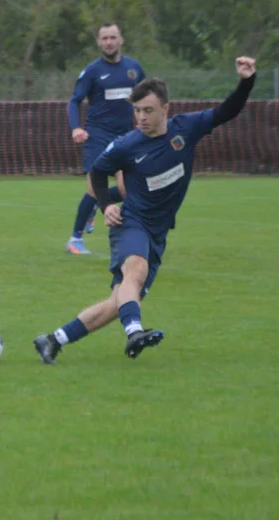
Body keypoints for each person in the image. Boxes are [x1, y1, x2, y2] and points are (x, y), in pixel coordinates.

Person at [35, 57, 257, 363]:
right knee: (135, 271)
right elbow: (98, 174)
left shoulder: (186, 129)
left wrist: (246, 81)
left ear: (166, 109)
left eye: (148, 110)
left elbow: (226, 111)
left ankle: (52, 339)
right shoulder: (127, 145)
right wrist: (107, 205)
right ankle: (135, 333)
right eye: (137, 110)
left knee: (120, 300)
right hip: (131, 223)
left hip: (158, 232)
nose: (141, 117)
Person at [66, 23, 145, 254]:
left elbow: (145, 97)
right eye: (104, 38)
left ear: (121, 40)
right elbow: (74, 101)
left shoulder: (134, 68)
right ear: (99, 42)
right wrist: (75, 128)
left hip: (124, 137)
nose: (109, 42)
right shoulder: (92, 71)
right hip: (98, 136)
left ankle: (96, 208)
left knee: (124, 190)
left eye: (113, 37)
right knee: (94, 189)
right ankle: (75, 239)